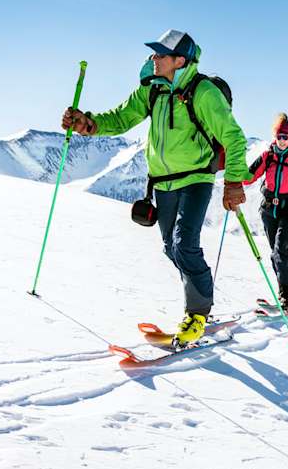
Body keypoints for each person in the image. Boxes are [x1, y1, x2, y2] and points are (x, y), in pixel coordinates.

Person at [61, 29, 250, 346]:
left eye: (161, 54)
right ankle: (200, 301)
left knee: (184, 243)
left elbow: (234, 137)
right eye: (154, 53)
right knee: (170, 247)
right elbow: (121, 118)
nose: (154, 58)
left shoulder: (203, 92)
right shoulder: (152, 89)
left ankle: (198, 314)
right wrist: (87, 123)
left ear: (180, 60)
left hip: (197, 178)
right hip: (163, 182)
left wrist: (233, 182)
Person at [244, 113, 288, 313]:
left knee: (281, 250)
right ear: (275, 137)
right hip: (268, 210)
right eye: (279, 137)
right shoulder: (268, 156)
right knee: (276, 254)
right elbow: (249, 175)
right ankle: (286, 292)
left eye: (286, 137)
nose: (282, 141)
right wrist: (234, 176)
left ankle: (287, 297)